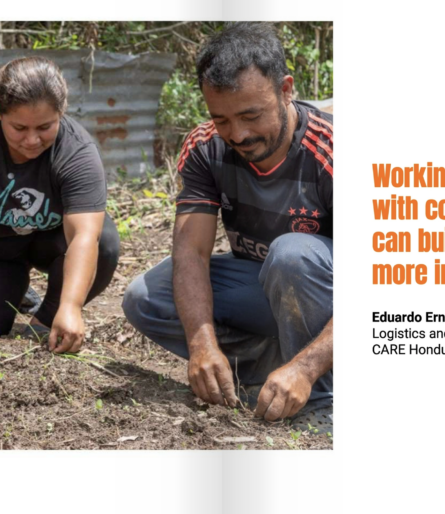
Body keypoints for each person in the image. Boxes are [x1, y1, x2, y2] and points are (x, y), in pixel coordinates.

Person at [123, 23, 334, 429]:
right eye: (221, 119)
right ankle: (263, 374)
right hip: (268, 291)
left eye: (251, 115)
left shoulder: (331, 152)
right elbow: (191, 252)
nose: (237, 134)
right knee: (146, 297)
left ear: (286, 89)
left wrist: (308, 368)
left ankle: (324, 397)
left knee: (293, 254)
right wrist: (202, 346)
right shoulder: (206, 148)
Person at [0, 56, 119, 353]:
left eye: (44, 127)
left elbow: (84, 236)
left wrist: (69, 307)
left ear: (61, 113)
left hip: (49, 241)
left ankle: (45, 316)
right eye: (19, 128)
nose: (31, 140)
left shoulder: (76, 152)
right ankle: (13, 289)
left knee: (103, 242)